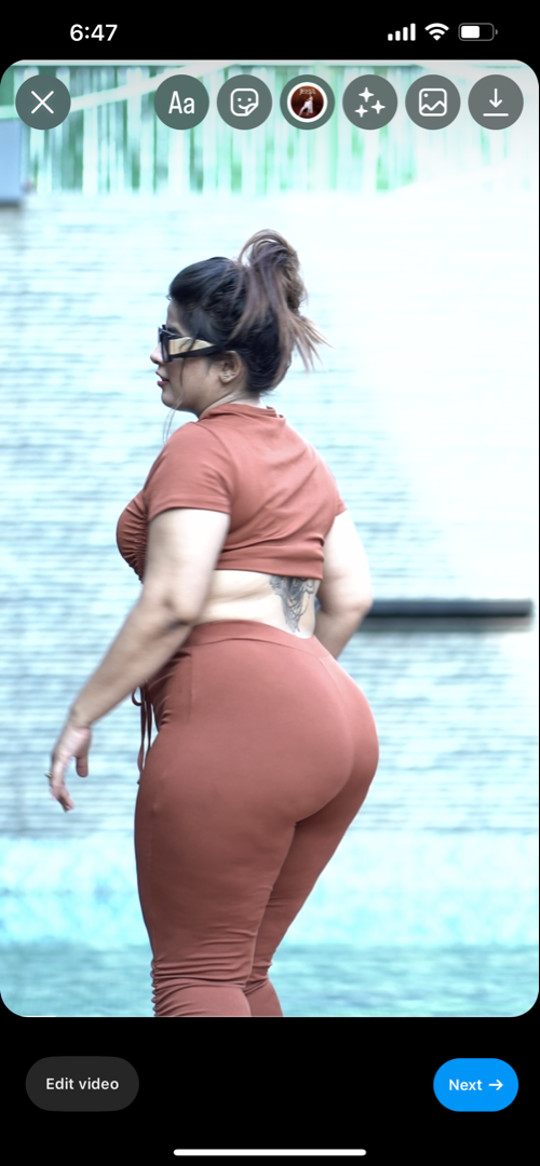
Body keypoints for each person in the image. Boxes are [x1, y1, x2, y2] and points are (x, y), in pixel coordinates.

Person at [48, 229, 379, 1017]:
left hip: (238, 715)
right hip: (339, 723)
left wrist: (82, 714)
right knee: (241, 972)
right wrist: (295, 686)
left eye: (171, 341)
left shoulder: (201, 448)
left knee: (195, 978)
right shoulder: (303, 456)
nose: (157, 356)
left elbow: (173, 599)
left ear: (226, 367)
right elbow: (352, 595)